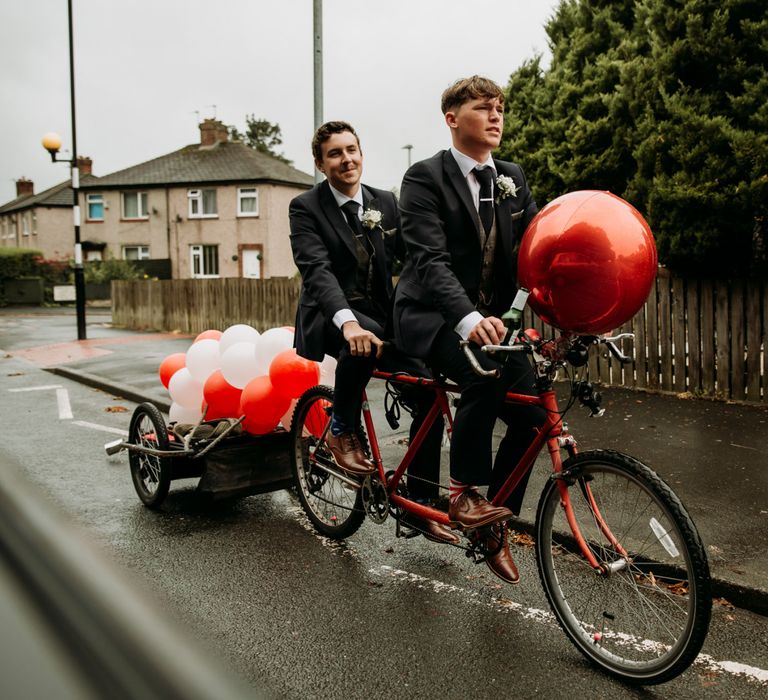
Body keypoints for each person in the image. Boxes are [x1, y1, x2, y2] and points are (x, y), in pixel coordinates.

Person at [392, 77, 547, 583]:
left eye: (501, 108)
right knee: (482, 374)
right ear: (453, 119)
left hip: (491, 321)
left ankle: (492, 525)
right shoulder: (423, 178)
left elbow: (528, 258)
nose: (497, 116)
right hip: (430, 315)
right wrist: (467, 318)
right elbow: (431, 262)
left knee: (533, 413)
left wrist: (531, 315)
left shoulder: (512, 177)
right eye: (484, 108)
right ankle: (462, 494)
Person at [289, 121, 457, 545]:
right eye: (335, 153)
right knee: (360, 341)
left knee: (427, 392)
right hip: (331, 317)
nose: (346, 159)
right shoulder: (305, 207)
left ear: (361, 153)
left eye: (352, 150)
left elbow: (415, 258)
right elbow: (317, 272)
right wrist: (346, 321)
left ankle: (419, 506)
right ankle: (342, 426)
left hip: (383, 318)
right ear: (319, 163)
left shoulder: (385, 202)